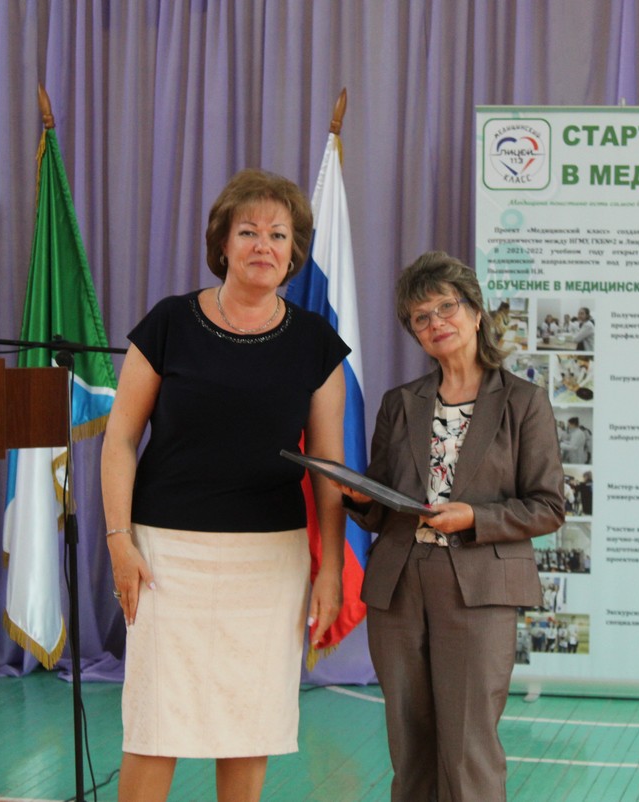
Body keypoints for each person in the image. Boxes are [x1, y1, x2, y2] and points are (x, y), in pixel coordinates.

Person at [100, 168, 349, 802]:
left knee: (249, 719)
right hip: (164, 554)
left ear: (294, 251)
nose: (263, 245)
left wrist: (331, 569)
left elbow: (329, 468)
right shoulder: (169, 322)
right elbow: (120, 439)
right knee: (155, 719)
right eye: (248, 231)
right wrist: (118, 538)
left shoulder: (316, 343)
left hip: (270, 561)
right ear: (223, 244)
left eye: (278, 234)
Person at [334, 251, 564, 802]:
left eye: (446, 307)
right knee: (408, 745)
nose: (436, 322)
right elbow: (384, 502)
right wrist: (358, 497)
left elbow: (549, 506)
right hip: (399, 583)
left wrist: (474, 517)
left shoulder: (523, 402)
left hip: (478, 586)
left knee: (467, 748)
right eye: (421, 317)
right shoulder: (399, 403)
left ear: (475, 312)